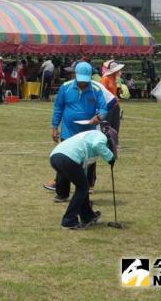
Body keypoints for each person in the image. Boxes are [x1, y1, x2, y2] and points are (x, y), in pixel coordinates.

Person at [47, 62, 109, 199]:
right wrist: (54, 127)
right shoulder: (65, 88)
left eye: (85, 80)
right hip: (68, 131)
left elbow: (104, 109)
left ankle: (87, 188)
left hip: (88, 133)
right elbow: (58, 108)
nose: (82, 83)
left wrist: (98, 117)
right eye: (80, 80)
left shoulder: (96, 90)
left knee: (89, 161)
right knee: (65, 160)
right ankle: (62, 193)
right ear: (74, 75)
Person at [49, 127, 117, 229]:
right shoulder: (101, 136)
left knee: (82, 187)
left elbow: (83, 166)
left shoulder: (89, 137)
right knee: (83, 188)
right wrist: (110, 157)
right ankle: (68, 221)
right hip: (68, 158)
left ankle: (87, 216)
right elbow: (98, 145)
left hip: (55, 157)